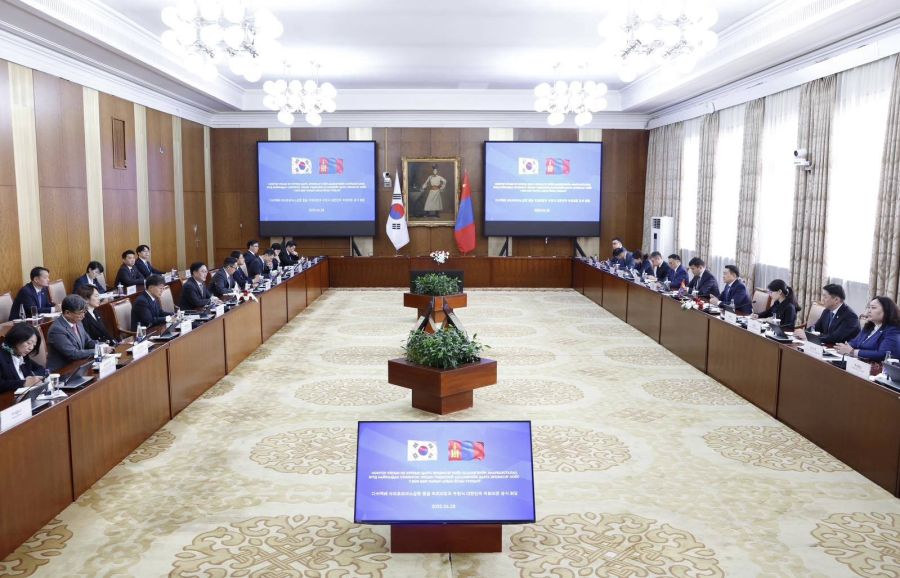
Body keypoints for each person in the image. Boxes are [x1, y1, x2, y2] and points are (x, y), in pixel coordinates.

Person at [834, 296, 900, 362]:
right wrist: (844, 347)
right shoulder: (869, 326)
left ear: (886, 310)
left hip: (878, 368)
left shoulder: (893, 330)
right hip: (859, 364)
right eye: (869, 307)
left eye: (873, 308)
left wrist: (852, 352)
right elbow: (855, 342)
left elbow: (883, 354)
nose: (869, 311)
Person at [795, 284, 860, 344]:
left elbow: (835, 338)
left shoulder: (850, 317)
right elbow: (816, 327)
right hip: (827, 346)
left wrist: (808, 336)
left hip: (842, 352)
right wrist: (804, 332)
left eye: (825, 297)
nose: (822, 299)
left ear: (836, 300)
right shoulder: (827, 311)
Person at [47, 294, 98, 370]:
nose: (83, 316)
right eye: (80, 313)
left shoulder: (78, 322)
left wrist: (102, 346)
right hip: (62, 371)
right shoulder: (57, 329)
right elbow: (73, 353)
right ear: (67, 313)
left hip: (78, 365)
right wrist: (98, 351)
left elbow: (88, 342)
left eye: (84, 312)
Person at [0, 324, 47, 393]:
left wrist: (32, 378)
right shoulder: (2, 356)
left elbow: (41, 369)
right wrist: (24, 383)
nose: (31, 348)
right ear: (16, 338)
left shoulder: (22, 355)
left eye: (34, 345)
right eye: (28, 343)